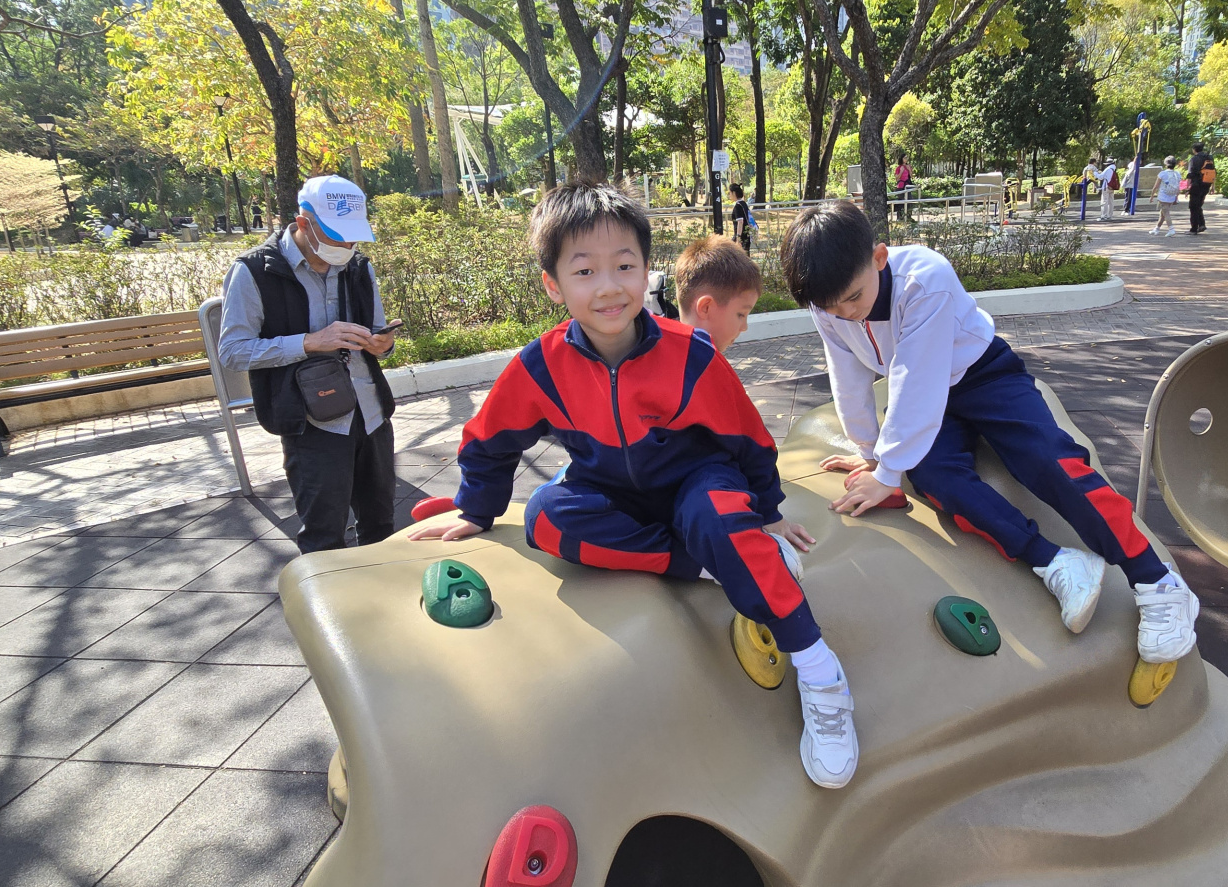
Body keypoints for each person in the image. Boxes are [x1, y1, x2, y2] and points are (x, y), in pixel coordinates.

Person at [409, 181, 861, 789]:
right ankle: (707, 563)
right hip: (610, 489)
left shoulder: (689, 352)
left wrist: (769, 511)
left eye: (624, 266)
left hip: (697, 479)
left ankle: (820, 670)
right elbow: (491, 438)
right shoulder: (541, 365)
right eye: (584, 271)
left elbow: (747, 435)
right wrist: (476, 507)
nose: (608, 286)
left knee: (720, 517)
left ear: (646, 271)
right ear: (553, 284)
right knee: (545, 517)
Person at [778, 200, 1201, 665]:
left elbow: (917, 379)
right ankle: (1054, 561)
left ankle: (1156, 579)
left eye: (854, 298)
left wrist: (888, 469)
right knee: (936, 477)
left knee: (1048, 459)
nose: (846, 314)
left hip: (984, 376)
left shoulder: (923, 278)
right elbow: (847, 372)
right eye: (831, 307)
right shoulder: (829, 304)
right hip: (928, 393)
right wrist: (871, 452)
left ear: (879, 257)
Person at [218, 175, 399, 554]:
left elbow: (378, 335)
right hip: (312, 423)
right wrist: (308, 342)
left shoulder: (358, 267)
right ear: (303, 223)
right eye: (337, 236)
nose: (347, 246)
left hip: (371, 415)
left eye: (353, 237)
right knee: (323, 538)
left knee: (382, 528)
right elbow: (232, 351)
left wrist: (383, 344)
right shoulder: (254, 271)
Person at [673, 234, 761, 352]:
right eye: (741, 314)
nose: (744, 327)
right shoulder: (701, 363)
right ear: (706, 307)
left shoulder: (667, 354)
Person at [1186, 143, 1215, 234]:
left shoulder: (1194, 159)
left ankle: (1194, 229)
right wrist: (1213, 186)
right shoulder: (1209, 158)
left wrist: (1187, 188)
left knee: (1193, 207)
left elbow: (1190, 174)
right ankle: (1202, 224)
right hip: (1206, 184)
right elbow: (1213, 172)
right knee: (1198, 205)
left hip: (1196, 185)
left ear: (1194, 149)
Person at [1150, 155, 1182, 236]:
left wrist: (1152, 196)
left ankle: (1171, 229)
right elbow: (1178, 187)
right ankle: (1156, 229)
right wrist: (1176, 197)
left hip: (1163, 196)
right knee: (1163, 213)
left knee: (1166, 213)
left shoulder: (1162, 174)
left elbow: (1156, 186)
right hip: (1172, 196)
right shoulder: (1177, 174)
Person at [728, 182, 753, 253]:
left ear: (734, 193)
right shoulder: (743, 203)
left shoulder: (737, 206)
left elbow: (740, 222)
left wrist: (738, 238)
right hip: (747, 234)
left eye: (730, 193)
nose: (729, 195)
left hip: (741, 236)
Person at [893, 154, 913, 220]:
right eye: (905, 158)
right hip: (900, 186)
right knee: (901, 202)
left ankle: (908, 217)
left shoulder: (908, 166)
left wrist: (909, 170)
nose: (906, 159)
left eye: (907, 158)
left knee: (910, 201)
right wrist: (901, 171)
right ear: (901, 159)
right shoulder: (899, 168)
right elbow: (897, 178)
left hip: (907, 186)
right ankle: (900, 217)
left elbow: (911, 176)